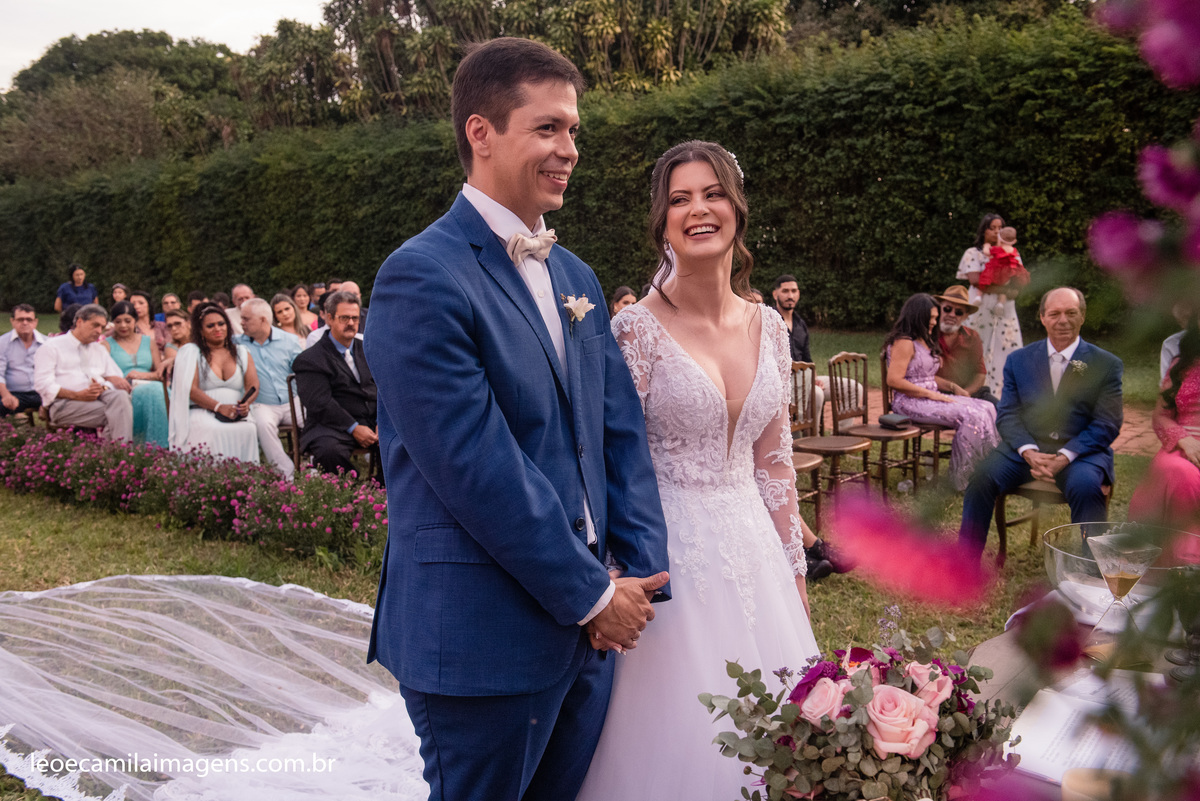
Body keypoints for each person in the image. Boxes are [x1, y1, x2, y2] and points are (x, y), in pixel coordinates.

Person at [365, 38, 670, 801]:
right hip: (482, 638)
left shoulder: (575, 274)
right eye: (548, 128)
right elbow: (476, 466)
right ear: (481, 132)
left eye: (573, 131)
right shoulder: (420, 276)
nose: (569, 149)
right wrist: (594, 596)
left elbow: (618, 431)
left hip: (592, 634)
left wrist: (639, 575)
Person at [578, 141, 819, 801]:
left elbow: (775, 463)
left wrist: (795, 569)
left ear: (736, 209)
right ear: (663, 223)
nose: (698, 209)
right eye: (680, 199)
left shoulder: (770, 327)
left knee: (780, 736)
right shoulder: (634, 330)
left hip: (755, 554)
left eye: (712, 194)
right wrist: (609, 577)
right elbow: (607, 464)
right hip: (667, 560)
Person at [958, 287, 1123, 559]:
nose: (1063, 320)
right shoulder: (1018, 360)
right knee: (981, 477)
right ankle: (964, 564)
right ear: (1043, 317)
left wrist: (1065, 456)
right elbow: (1008, 414)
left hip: (1080, 455)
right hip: (1024, 453)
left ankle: (1092, 570)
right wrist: (1029, 452)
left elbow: (1107, 422)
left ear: (1082, 316)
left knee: (1086, 487)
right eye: (1054, 314)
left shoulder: (1106, 364)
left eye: (1071, 313)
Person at [884, 293, 999, 491]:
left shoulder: (924, 340)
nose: (934, 322)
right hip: (909, 402)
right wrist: (930, 394)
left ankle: (987, 471)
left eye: (935, 318)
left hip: (931, 397)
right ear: (918, 316)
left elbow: (926, 376)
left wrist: (952, 387)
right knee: (971, 415)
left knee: (987, 407)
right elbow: (894, 380)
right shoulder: (904, 342)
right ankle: (962, 480)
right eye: (931, 318)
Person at [293, 292, 377, 477]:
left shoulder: (368, 350)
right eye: (344, 318)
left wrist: (381, 422)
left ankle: (381, 488)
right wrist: (354, 427)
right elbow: (320, 402)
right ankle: (351, 491)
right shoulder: (310, 359)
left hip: (371, 422)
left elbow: (381, 390)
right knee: (329, 452)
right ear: (329, 318)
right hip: (331, 426)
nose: (351, 323)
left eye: (355, 318)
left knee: (401, 440)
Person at [1130, 317, 1200, 528]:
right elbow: (1160, 415)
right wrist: (1184, 440)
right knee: (1179, 472)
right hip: (1182, 447)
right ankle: (1176, 548)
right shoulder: (1181, 365)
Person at [168, 303, 260, 462]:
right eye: (210, 326)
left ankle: (245, 475)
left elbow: (253, 385)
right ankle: (213, 477)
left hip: (235, 413)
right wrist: (218, 407)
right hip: (201, 410)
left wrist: (246, 404)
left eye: (221, 324)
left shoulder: (241, 352)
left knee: (249, 428)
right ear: (200, 331)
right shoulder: (191, 352)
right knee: (212, 429)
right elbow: (191, 390)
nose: (217, 328)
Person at [33, 304, 133, 440]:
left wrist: (103, 388)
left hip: (99, 398)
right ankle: (120, 451)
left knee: (121, 397)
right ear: (79, 322)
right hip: (65, 403)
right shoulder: (52, 347)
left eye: (102, 327)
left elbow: (116, 377)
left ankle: (115, 451)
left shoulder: (98, 349)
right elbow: (43, 384)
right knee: (121, 413)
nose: (99, 331)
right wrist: (78, 395)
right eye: (95, 325)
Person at [957, 214, 1023, 398]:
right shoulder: (973, 253)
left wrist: (1008, 289)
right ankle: (974, 392)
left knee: (1007, 347)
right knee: (977, 346)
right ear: (983, 230)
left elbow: (1018, 282)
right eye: (992, 228)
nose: (996, 232)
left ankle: (1005, 394)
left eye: (1000, 228)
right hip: (981, 307)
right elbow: (975, 280)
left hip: (1004, 309)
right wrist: (1004, 288)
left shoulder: (1012, 252)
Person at [237, 298, 304, 478]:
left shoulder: (289, 340)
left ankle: (314, 468)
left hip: (292, 400)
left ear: (263, 320)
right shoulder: (236, 344)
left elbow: (302, 368)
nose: (241, 323)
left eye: (246, 319)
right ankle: (286, 474)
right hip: (261, 403)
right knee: (263, 425)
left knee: (314, 419)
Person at [104, 301, 168, 447]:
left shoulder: (149, 342)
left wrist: (142, 375)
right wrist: (115, 379)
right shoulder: (106, 345)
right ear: (113, 323)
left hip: (152, 386)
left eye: (128, 321)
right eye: (118, 321)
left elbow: (160, 373)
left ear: (135, 321)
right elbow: (99, 373)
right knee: (153, 391)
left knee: (155, 390)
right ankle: (157, 447)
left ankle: (159, 446)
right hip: (125, 391)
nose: (123, 326)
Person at [934, 285, 999, 406]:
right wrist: (952, 388)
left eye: (958, 312)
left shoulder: (972, 337)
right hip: (935, 392)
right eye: (947, 309)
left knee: (1003, 411)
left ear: (965, 316)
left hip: (968, 392)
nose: (952, 314)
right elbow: (921, 375)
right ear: (939, 309)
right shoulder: (928, 334)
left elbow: (980, 374)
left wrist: (965, 394)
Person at [0, 304, 47, 417]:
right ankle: (15, 422)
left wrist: (48, 401)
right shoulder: (2, 343)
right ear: (12, 321)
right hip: (14, 393)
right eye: (20, 319)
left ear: (35, 322)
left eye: (29, 320)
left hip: (42, 394)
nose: (25, 323)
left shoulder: (47, 343)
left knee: (65, 405)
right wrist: (6, 395)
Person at [978, 226, 1029, 300]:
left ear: (999, 239)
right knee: (1004, 288)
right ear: (1014, 241)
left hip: (996, 274)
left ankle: (978, 297)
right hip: (1009, 275)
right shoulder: (1015, 251)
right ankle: (1000, 303)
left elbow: (987, 252)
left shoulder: (998, 249)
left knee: (983, 282)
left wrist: (986, 246)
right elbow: (1019, 263)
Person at [129, 290, 169, 359]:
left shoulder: (162, 326)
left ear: (149, 305)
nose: (136, 306)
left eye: (141, 303)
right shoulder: (129, 329)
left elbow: (172, 345)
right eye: (133, 304)